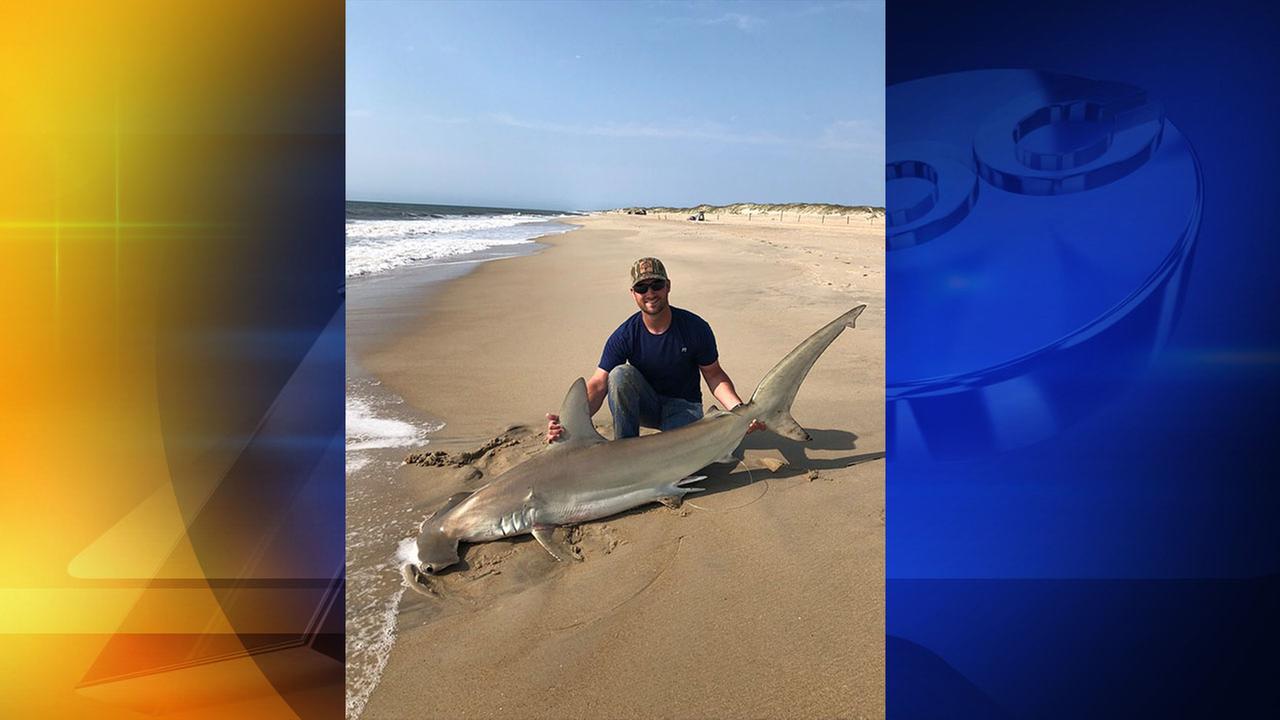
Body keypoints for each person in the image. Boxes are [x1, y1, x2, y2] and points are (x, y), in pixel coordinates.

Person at [546, 257, 765, 443]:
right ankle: (625, 449)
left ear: (668, 286)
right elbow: (599, 383)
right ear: (633, 293)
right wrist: (569, 423)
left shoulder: (695, 328)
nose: (650, 293)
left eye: (656, 285)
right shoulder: (625, 335)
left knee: (680, 469)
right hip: (647, 405)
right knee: (620, 374)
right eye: (642, 287)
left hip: (684, 407)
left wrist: (739, 410)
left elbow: (714, 374)